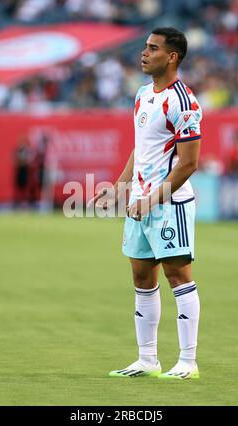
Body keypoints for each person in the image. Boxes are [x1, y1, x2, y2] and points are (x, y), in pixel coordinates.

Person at [90, 27, 202, 380]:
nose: (144, 52)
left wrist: (152, 199)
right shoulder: (142, 94)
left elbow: (188, 163)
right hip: (139, 203)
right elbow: (142, 148)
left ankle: (187, 361)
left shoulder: (184, 102)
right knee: (141, 276)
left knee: (177, 275)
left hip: (170, 204)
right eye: (144, 47)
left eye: (153, 48)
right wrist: (120, 187)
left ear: (172, 57)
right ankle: (147, 359)